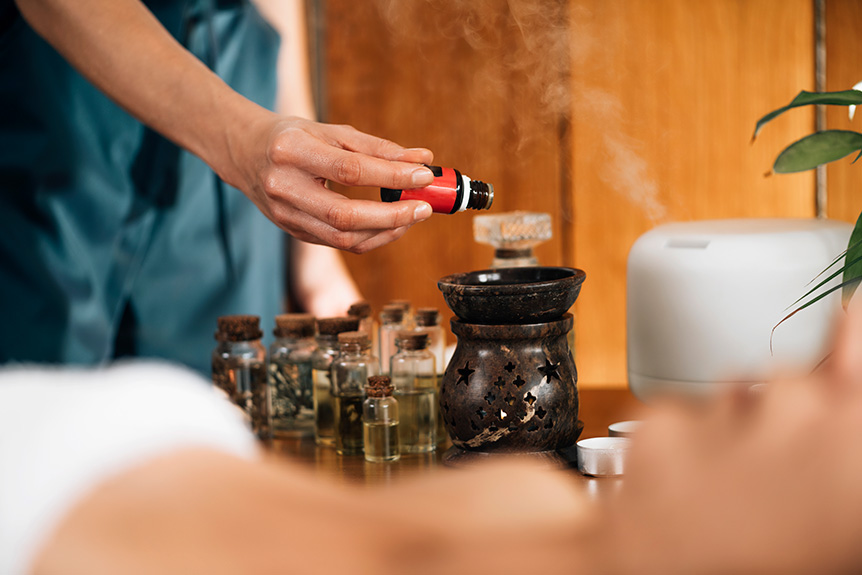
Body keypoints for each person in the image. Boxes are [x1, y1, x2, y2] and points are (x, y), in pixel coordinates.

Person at [0, 0, 434, 373]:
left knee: (218, 388)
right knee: (49, 391)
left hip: (233, 70)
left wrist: (314, 256)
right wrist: (239, 138)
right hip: (65, 78)